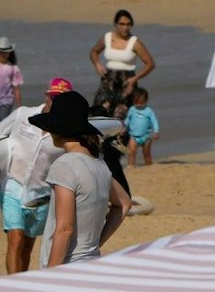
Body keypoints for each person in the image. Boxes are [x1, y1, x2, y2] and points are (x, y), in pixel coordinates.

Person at [34, 90, 126, 267]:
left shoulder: (64, 165)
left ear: (58, 130)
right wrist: (95, 244)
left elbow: (65, 229)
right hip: (91, 260)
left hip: (67, 265)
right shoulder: (99, 164)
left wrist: (50, 275)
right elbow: (123, 203)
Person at [3, 78, 65, 275]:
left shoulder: (65, 132)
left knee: (27, 246)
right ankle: (12, 287)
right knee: (16, 238)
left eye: (63, 100)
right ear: (47, 95)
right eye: (54, 97)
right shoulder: (23, 115)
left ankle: (21, 281)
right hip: (13, 185)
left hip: (41, 195)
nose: (56, 103)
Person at [87, 7, 153, 117]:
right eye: (122, 24)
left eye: (128, 24)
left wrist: (134, 79)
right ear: (115, 24)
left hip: (126, 81)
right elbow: (94, 51)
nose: (125, 28)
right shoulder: (107, 37)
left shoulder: (134, 42)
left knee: (122, 115)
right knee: (100, 113)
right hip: (108, 81)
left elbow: (150, 63)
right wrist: (97, 64)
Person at [125, 86, 158, 166]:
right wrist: (123, 128)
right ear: (133, 101)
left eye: (141, 102)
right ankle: (131, 166)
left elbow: (154, 121)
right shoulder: (132, 109)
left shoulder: (148, 110)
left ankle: (148, 165)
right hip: (134, 136)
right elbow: (127, 120)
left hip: (146, 136)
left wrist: (156, 131)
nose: (139, 105)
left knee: (146, 153)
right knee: (131, 152)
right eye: (136, 102)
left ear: (146, 101)